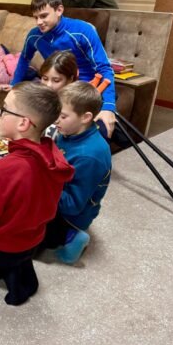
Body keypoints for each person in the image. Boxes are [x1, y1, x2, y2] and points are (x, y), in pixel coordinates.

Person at [0, 82, 74, 306]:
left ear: (23, 122)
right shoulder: (52, 156)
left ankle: (3, 267)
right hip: (32, 239)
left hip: (2, 247)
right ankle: (19, 271)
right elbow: (23, 183)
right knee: (14, 247)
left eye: (5, 108)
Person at [10, 0, 117, 138]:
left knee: (100, 128)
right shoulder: (34, 35)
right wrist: (14, 85)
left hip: (86, 89)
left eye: (44, 16)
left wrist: (108, 107)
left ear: (59, 10)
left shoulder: (83, 30)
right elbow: (24, 58)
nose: (39, 22)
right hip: (57, 86)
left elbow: (105, 68)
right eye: (36, 18)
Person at [41, 81, 111, 263]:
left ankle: (70, 236)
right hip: (60, 192)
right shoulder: (69, 133)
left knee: (21, 225)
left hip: (72, 216)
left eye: (62, 116)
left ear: (86, 117)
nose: (56, 120)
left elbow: (73, 205)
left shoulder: (89, 156)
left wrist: (41, 181)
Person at [38, 50, 78, 139]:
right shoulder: (37, 99)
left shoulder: (76, 106)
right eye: (45, 78)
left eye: (56, 80)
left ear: (70, 79)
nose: (48, 85)